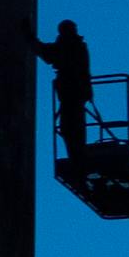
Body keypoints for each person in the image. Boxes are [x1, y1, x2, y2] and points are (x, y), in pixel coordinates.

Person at [31, 19, 93, 162]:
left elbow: (47, 53)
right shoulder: (75, 46)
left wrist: (31, 39)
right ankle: (77, 154)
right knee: (73, 125)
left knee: (70, 126)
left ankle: (77, 155)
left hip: (72, 89)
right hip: (75, 90)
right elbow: (48, 53)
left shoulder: (71, 46)